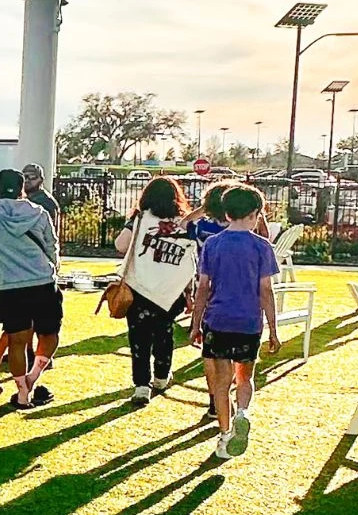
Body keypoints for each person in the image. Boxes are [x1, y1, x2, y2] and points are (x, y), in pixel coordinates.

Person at [188, 183, 279, 459]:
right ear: (255, 214)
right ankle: (243, 412)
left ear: (226, 214)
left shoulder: (213, 245)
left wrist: (195, 324)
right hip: (249, 323)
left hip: (217, 321)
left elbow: (202, 288)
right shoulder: (262, 247)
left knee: (220, 382)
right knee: (245, 377)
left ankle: (225, 434)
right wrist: (273, 328)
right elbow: (266, 290)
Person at [0, 168, 61, 409]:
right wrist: (55, 269)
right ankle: (33, 378)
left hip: (9, 286)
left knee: (17, 341)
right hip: (42, 281)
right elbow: (52, 246)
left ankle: (22, 393)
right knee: (49, 335)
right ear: (22, 189)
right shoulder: (39, 212)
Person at [115, 177, 202, 404]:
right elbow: (189, 261)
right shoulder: (185, 224)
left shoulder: (141, 218)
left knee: (139, 338)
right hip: (171, 292)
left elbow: (120, 245)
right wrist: (188, 292)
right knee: (164, 334)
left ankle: (142, 386)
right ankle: (162, 377)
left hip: (140, 289)